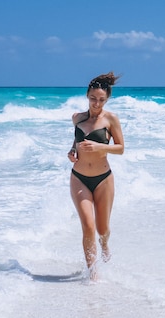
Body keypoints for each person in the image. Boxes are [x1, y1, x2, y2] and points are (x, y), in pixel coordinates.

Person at [67, 72, 124, 280]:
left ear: (106, 99)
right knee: (88, 227)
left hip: (103, 180)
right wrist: (72, 152)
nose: (96, 103)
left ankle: (105, 244)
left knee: (102, 229)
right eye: (93, 98)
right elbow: (76, 142)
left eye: (101, 100)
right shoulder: (77, 118)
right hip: (79, 178)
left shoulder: (111, 119)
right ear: (87, 96)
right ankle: (93, 275)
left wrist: (99, 145)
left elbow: (120, 148)